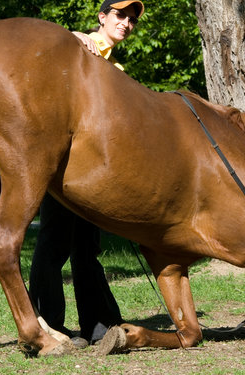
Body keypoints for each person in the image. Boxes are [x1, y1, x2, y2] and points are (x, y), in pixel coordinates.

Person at [28, 0, 144, 349]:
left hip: (94, 176)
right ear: (102, 17)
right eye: (120, 15)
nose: (126, 23)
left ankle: (99, 326)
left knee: (85, 249)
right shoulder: (80, 45)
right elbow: (41, 51)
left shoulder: (117, 69)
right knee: (53, 243)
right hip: (65, 168)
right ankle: (46, 325)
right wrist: (73, 35)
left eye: (132, 19)